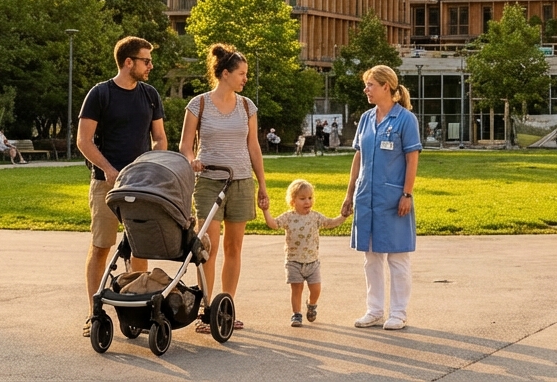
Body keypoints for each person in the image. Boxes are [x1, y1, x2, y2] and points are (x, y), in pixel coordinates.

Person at [77, 36, 167, 337]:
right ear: (129, 62)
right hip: (107, 184)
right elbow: (84, 140)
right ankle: (96, 314)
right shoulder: (100, 94)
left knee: (139, 246)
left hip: (141, 185)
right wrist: (108, 169)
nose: (150, 65)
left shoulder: (150, 95)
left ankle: (136, 312)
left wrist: (152, 165)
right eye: (146, 60)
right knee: (102, 246)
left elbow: (160, 138)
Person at [180, 43, 270, 333]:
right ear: (225, 73)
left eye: (246, 73)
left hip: (242, 180)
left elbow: (253, 147)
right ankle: (206, 309)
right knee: (209, 246)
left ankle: (225, 308)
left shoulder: (247, 106)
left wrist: (262, 186)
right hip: (208, 182)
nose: (245, 78)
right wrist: (193, 161)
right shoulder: (199, 103)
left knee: (234, 246)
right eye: (242, 73)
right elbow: (185, 145)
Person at [342, 65, 421, 331]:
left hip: (394, 198)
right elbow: (359, 156)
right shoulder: (366, 118)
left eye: (370, 85)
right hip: (367, 197)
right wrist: (349, 193)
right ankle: (374, 310)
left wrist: (407, 194)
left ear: (386, 86)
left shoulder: (405, 120)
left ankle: (398, 312)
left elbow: (412, 159)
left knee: (397, 257)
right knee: (371, 256)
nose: (366, 90)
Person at [262, 178, 349, 327]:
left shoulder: (315, 217)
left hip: (312, 262)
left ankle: (312, 304)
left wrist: (344, 216)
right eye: (302, 199)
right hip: (293, 261)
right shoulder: (288, 218)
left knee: (315, 289)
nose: (307, 202)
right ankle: (296, 314)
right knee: (297, 289)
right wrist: (265, 210)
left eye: (310, 198)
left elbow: (330, 223)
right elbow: (273, 224)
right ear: (292, 201)